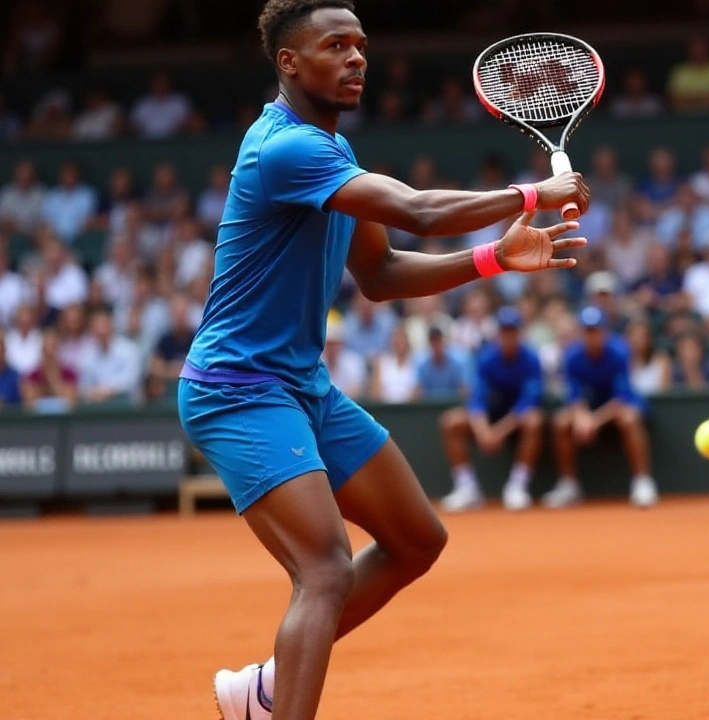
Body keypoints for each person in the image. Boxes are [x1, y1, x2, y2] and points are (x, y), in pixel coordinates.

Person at [176, 4, 590, 720]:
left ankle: (267, 686)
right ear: (289, 62)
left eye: (362, 45)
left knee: (415, 540)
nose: (357, 57)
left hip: (303, 387)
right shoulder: (285, 149)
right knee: (326, 571)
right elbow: (419, 211)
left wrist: (494, 257)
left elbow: (383, 273)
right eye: (336, 45)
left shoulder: (332, 159)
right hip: (237, 389)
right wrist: (531, 194)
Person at [550, 306, 658, 508]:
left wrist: (593, 421)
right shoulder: (572, 355)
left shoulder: (619, 351)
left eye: (596, 330)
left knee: (629, 418)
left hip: (621, 405)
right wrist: (582, 417)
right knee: (561, 422)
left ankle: (642, 482)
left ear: (604, 331)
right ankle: (568, 485)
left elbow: (622, 396)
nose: (592, 336)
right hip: (591, 408)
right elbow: (574, 395)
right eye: (587, 331)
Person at [438, 306, 544, 512]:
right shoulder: (486, 358)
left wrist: (498, 431)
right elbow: (476, 399)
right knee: (451, 421)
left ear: (519, 333)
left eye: (512, 331)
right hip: (488, 419)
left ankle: (517, 486)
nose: (508, 336)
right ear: (498, 334)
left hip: (515, 420)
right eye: (504, 331)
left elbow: (528, 402)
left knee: (534, 420)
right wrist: (484, 431)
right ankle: (467, 488)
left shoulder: (531, 359)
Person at [366, 322, 419, 403]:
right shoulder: (381, 362)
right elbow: (375, 394)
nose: (399, 342)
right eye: (396, 338)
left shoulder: (416, 363)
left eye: (402, 338)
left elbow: (417, 391)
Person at [626, 319, 670, 396]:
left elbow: (665, 392)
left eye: (641, 336)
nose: (637, 340)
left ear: (649, 338)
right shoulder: (622, 362)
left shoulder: (661, 360)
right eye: (634, 336)